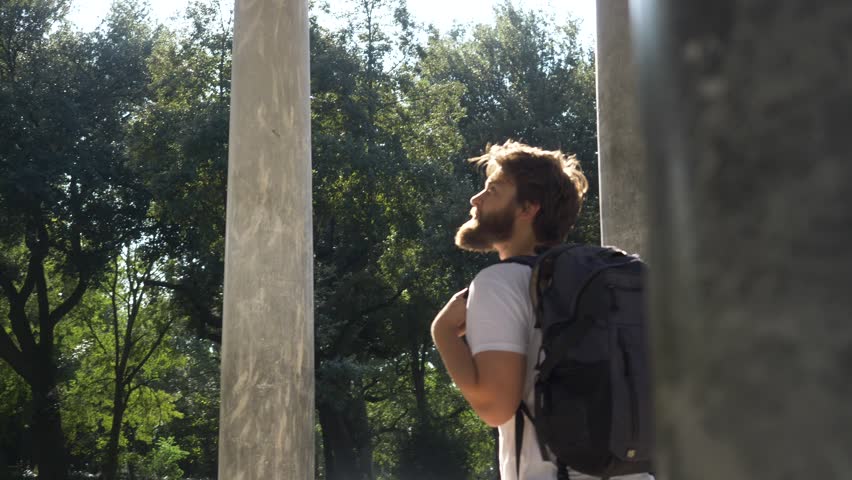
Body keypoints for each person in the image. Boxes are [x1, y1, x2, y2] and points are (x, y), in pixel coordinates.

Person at [431, 141, 654, 480]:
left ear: (528, 209)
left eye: (493, 190)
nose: (475, 200)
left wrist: (443, 332)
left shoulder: (500, 282)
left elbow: (495, 406)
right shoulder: (596, 282)